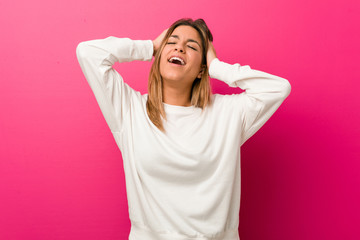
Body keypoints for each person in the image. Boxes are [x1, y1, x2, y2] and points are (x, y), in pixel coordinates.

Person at [76, 18, 291, 240]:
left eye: (192, 46)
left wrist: (216, 66)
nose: (180, 47)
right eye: (172, 42)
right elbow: (88, 53)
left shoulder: (228, 113)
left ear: (201, 70)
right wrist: (149, 46)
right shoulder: (129, 110)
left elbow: (278, 88)